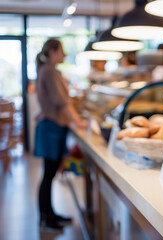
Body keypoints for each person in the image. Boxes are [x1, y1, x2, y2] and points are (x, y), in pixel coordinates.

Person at [34, 39, 88, 231]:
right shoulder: (49, 71)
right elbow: (62, 102)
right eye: (62, 51)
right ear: (53, 51)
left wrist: (74, 120)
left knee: (50, 174)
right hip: (51, 128)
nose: (64, 55)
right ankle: (45, 220)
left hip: (52, 127)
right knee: (48, 174)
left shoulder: (48, 70)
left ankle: (50, 215)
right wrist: (78, 122)